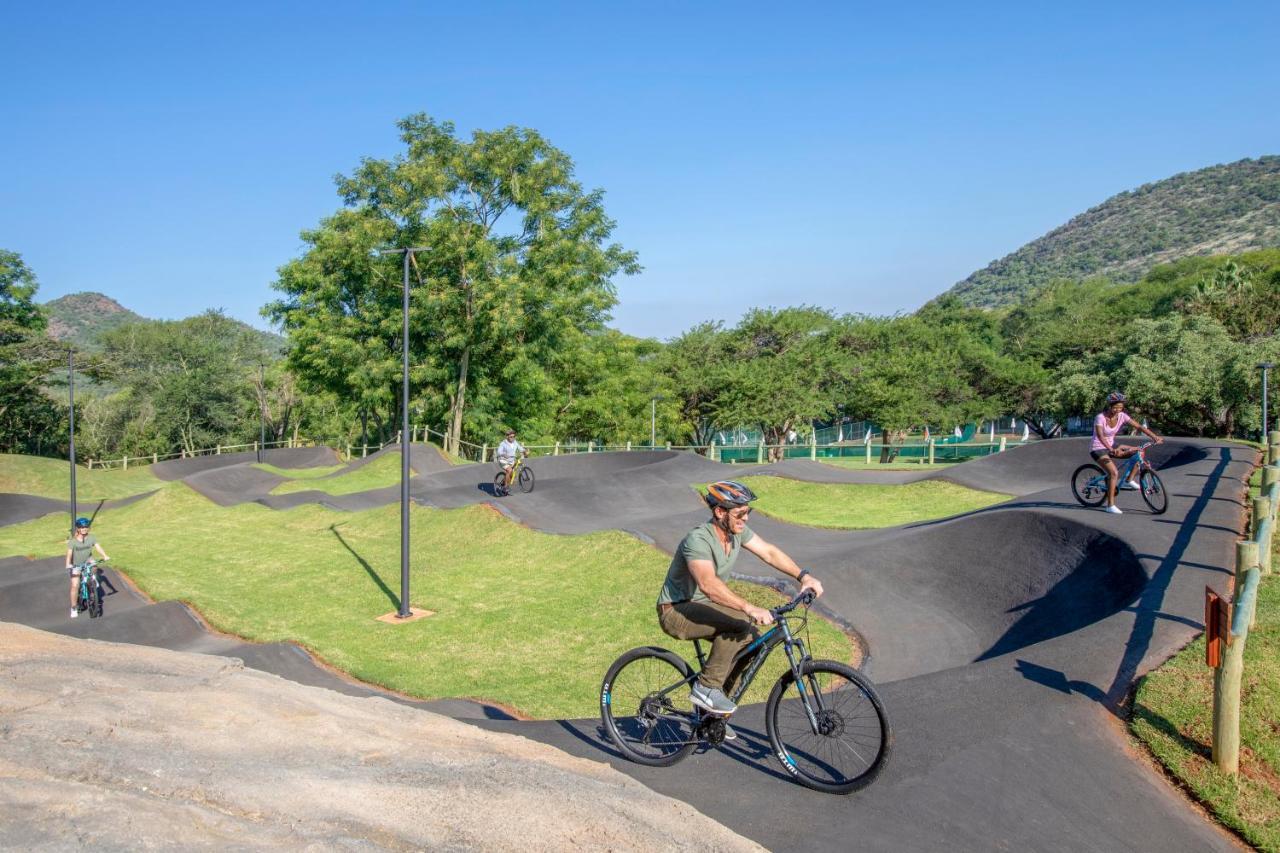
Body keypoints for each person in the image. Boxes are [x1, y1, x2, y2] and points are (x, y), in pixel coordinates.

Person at [656, 480, 823, 738]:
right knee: (741, 622)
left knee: (754, 641)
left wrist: (803, 576)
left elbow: (768, 552)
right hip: (676, 610)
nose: (745, 518)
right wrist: (749, 607)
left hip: (703, 606)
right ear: (720, 512)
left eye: (748, 512)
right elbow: (708, 585)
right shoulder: (698, 539)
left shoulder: (737, 532)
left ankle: (714, 714)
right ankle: (706, 688)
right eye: (740, 513)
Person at [1090, 392, 1162, 515]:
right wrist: (1111, 449)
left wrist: (1154, 437)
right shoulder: (1100, 417)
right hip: (1098, 448)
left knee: (1139, 452)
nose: (1118, 409)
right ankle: (1110, 505)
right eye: (1115, 407)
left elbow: (1139, 426)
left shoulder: (1122, 416)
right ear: (1109, 405)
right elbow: (1100, 436)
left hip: (1112, 446)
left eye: (1120, 407)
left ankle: (1129, 480)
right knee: (1113, 473)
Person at [66, 516, 109, 618]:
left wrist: (105, 555)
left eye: (86, 527)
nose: (84, 529)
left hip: (88, 559)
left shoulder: (92, 538)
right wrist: (68, 564)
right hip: (76, 563)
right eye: (82, 527)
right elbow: (69, 555)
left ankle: (93, 578)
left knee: (94, 564)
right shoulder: (73, 541)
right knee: (75, 585)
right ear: (78, 529)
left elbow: (98, 547)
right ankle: (73, 608)